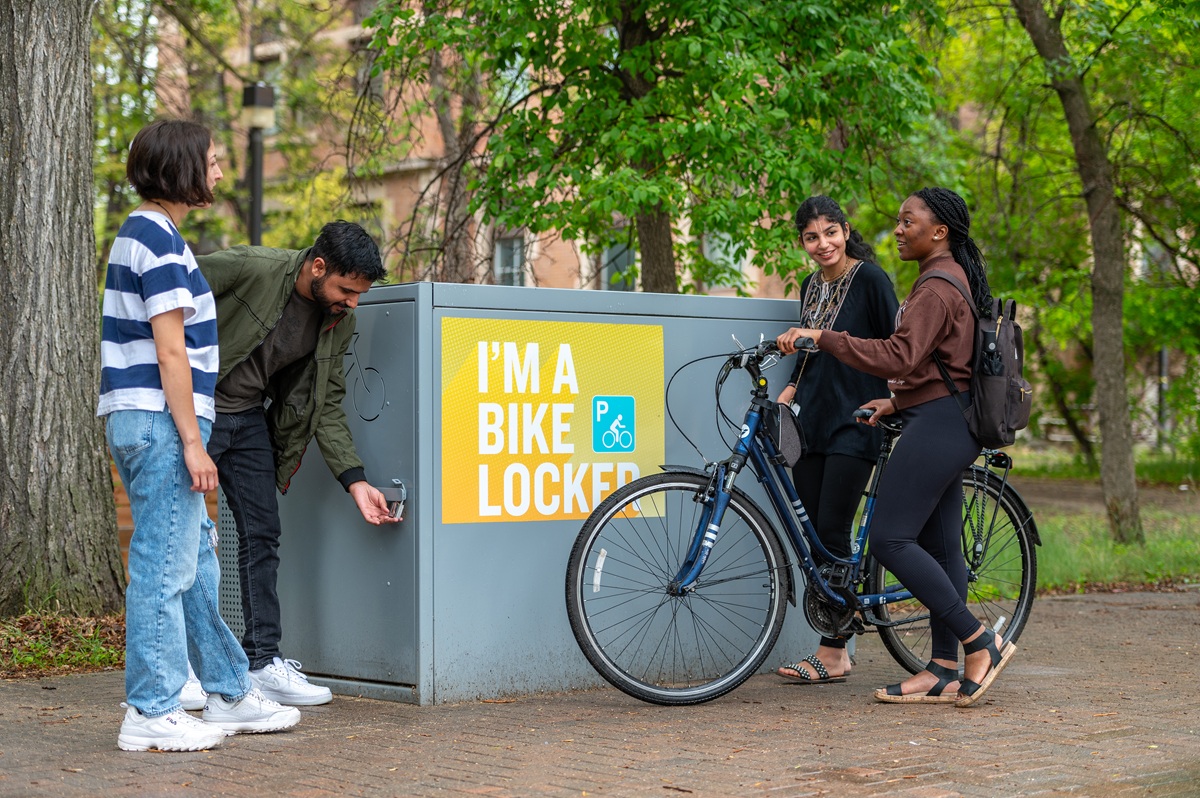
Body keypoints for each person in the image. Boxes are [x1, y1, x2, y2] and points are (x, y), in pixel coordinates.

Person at [99, 119, 301, 751]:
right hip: (162, 423)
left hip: (155, 422)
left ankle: (227, 690)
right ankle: (151, 711)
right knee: (164, 566)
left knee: (196, 561)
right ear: (182, 167)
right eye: (212, 161)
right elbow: (171, 353)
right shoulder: (154, 237)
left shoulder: (155, 236)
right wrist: (193, 440)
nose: (219, 171)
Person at [777, 187, 1018, 707]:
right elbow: (934, 365)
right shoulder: (944, 277)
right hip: (937, 415)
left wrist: (823, 338)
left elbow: (900, 354)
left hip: (939, 425)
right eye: (898, 220)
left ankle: (980, 643)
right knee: (942, 547)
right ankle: (942, 667)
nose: (898, 229)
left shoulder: (935, 285)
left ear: (940, 231)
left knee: (889, 539)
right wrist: (895, 402)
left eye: (909, 221)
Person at [178, 220, 398, 710]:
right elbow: (171, 289)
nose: (353, 302)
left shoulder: (338, 320)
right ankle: (179, 670)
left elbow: (328, 402)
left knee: (262, 535)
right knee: (179, 538)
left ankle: (261, 662)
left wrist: (354, 480)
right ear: (317, 267)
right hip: (198, 412)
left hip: (249, 419)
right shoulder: (252, 268)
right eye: (346, 289)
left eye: (360, 293)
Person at [772, 197, 899, 685]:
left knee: (832, 529)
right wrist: (788, 390)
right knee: (813, 537)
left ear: (846, 231)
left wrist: (896, 401)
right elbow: (809, 351)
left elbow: (897, 344)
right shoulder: (809, 285)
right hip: (812, 419)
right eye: (811, 236)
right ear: (802, 242)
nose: (822, 244)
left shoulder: (870, 279)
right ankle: (838, 637)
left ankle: (833, 652)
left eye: (830, 232)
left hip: (857, 417)